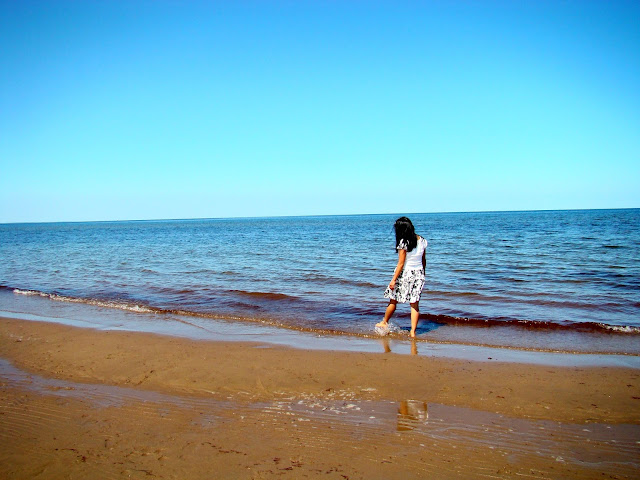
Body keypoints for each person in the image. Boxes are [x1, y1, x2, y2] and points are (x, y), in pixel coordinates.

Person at [376, 217, 427, 338]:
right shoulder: (423, 240)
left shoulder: (403, 242)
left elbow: (401, 264)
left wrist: (393, 280)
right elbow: (423, 260)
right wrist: (423, 273)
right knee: (414, 304)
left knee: (393, 299)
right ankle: (413, 332)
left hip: (405, 274)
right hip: (419, 274)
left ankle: (384, 322)